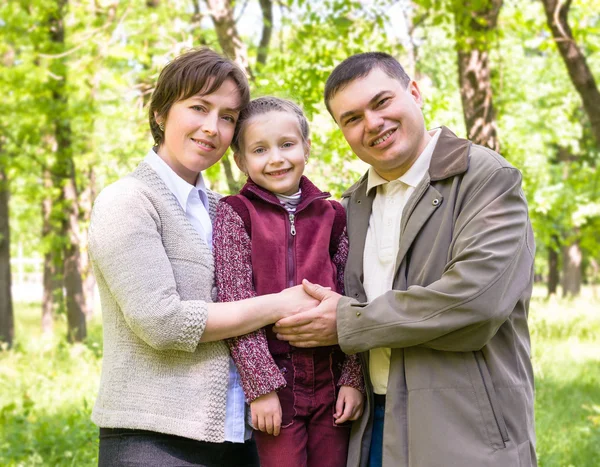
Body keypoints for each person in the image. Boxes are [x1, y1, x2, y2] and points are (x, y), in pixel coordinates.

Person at [274, 52, 537, 467]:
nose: (373, 124)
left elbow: (476, 304)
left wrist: (346, 323)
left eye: (381, 103)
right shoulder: (352, 205)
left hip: (464, 433)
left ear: (414, 92)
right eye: (352, 118)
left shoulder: (485, 178)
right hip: (371, 429)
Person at [88, 48, 318, 467]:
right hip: (153, 440)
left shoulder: (225, 209)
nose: (212, 128)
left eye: (228, 117)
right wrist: (281, 304)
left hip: (240, 437)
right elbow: (162, 322)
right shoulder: (127, 202)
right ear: (160, 113)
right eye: (198, 107)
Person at [213, 96, 364, 467]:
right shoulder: (236, 214)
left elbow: (353, 297)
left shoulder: (334, 216)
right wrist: (261, 387)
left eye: (286, 145)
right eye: (260, 149)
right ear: (241, 160)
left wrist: (353, 377)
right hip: (276, 387)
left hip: (331, 384)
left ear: (306, 148)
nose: (276, 158)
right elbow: (236, 304)